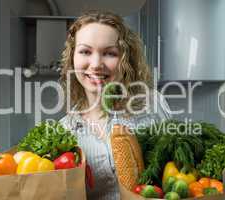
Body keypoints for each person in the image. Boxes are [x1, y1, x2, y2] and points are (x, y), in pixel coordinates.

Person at [59, 10, 171, 200]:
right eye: (85, 51)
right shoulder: (65, 130)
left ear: (125, 60)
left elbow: (178, 177)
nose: (96, 64)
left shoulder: (153, 105)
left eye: (109, 53)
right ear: (72, 58)